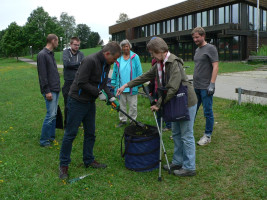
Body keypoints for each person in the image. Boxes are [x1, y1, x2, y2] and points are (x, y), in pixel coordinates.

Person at [117, 37, 198, 177]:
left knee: (186, 135)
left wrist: (158, 104)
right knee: (176, 133)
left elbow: (172, 88)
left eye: (153, 53)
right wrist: (126, 85)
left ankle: (189, 167)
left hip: (186, 101)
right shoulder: (160, 64)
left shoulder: (174, 63)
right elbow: (145, 76)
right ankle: (178, 162)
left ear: (160, 51)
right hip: (175, 101)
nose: (152, 56)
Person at [59, 41, 121, 180]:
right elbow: (81, 82)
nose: (115, 61)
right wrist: (97, 93)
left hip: (89, 102)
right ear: (107, 53)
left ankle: (88, 160)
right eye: (114, 58)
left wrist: (110, 98)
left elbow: (104, 84)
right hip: (77, 101)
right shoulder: (90, 61)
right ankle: (63, 165)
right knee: (70, 134)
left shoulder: (106, 64)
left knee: (90, 133)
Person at [192, 27, 219, 146]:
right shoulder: (198, 50)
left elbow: (216, 66)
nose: (195, 39)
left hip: (205, 87)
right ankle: (187, 132)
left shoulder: (211, 48)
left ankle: (208, 135)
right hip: (196, 86)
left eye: (197, 37)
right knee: (192, 110)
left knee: (207, 112)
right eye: (194, 37)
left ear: (203, 36)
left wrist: (212, 84)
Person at [111, 39, 142, 127]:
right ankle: (123, 120)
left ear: (129, 47)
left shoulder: (135, 57)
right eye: (123, 47)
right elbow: (115, 72)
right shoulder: (118, 58)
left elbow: (139, 71)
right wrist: (113, 83)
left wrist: (139, 83)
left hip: (132, 86)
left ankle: (132, 121)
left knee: (133, 105)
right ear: (121, 48)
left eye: (127, 46)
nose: (125, 48)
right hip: (120, 86)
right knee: (122, 105)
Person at [37, 34, 60, 147]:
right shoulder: (42, 55)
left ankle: (51, 137)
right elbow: (42, 75)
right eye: (57, 41)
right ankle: (43, 140)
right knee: (50, 115)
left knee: (54, 114)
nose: (58, 43)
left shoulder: (51, 54)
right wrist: (47, 91)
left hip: (55, 88)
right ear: (53, 41)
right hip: (50, 90)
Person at [62, 37, 84, 127]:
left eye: (78, 45)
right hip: (68, 82)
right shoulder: (66, 52)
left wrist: (75, 65)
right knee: (68, 103)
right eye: (75, 44)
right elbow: (67, 64)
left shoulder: (81, 54)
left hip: (79, 82)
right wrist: (78, 64)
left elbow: (84, 65)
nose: (76, 46)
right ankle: (67, 124)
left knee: (78, 103)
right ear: (70, 44)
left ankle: (77, 122)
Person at [148, 58, 172, 133]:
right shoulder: (154, 61)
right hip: (156, 88)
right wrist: (151, 89)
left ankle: (168, 125)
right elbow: (151, 75)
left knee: (165, 107)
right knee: (157, 107)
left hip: (164, 89)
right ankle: (159, 125)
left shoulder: (165, 61)